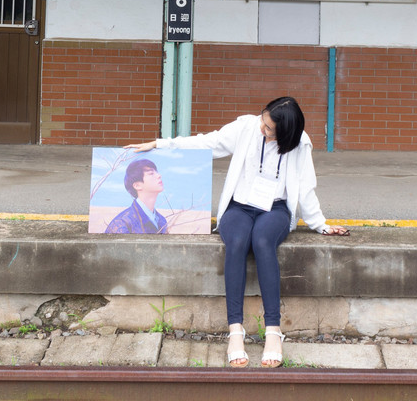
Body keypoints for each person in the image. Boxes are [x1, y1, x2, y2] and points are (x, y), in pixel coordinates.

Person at [127, 96, 348, 368]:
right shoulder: (246, 127)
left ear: (286, 132)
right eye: (263, 121)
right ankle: (235, 331)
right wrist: (161, 145)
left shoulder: (300, 143)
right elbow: (207, 142)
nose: (262, 129)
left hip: (275, 210)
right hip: (239, 208)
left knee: (263, 240)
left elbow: (305, 187)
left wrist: (320, 224)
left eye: (269, 129)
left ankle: (273, 332)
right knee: (238, 241)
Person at [104, 158, 169, 234]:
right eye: (151, 173)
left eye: (156, 172)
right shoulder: (122, 223)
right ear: (137, 185)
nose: (159, 175)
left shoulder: (162, 221)